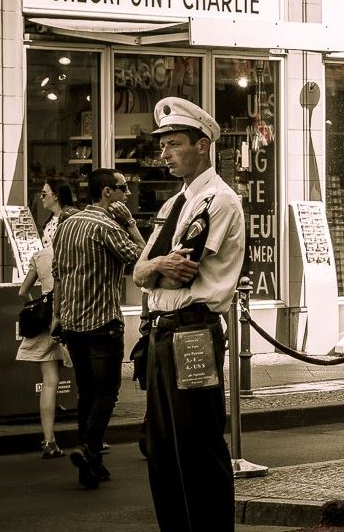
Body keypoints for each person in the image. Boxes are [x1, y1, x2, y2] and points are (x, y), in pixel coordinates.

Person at [132, 97, 244, 531]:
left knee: (196, 445)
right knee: (161, 449)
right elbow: (142, 271)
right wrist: (154, 267)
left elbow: (180, 275)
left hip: (193, 329)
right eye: (163, 145)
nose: (164, 152)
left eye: (174, 143)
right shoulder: (172, 204)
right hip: (161, 332)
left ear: (203, 145)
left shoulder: (218, 201)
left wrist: (153, 269)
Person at [54, 167, 145, 488]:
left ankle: (92, 464)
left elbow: (58, 273)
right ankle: (88, 446)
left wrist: (58, 316)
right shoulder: (108, 225)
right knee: (106, 392)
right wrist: (132, 225)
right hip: (103, 321)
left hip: (73, 323)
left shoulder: (67, 224)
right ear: (107, 193)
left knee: (86, 393)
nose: (128, 194)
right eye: (123, 188)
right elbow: (143, 261)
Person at [17, 241, 71, 458]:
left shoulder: (41, 255)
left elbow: (23, 291)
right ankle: (93, 437)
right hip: (73, 315)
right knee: (88, 381)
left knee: (50, 382)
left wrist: (37, 309)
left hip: (47, 321)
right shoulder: (76, 250)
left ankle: (49, 441)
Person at [40, 178, 81, 248]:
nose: (41, 197)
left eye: (44, 194)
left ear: (55, 196)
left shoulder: (72, 218)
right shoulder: (50, 221)